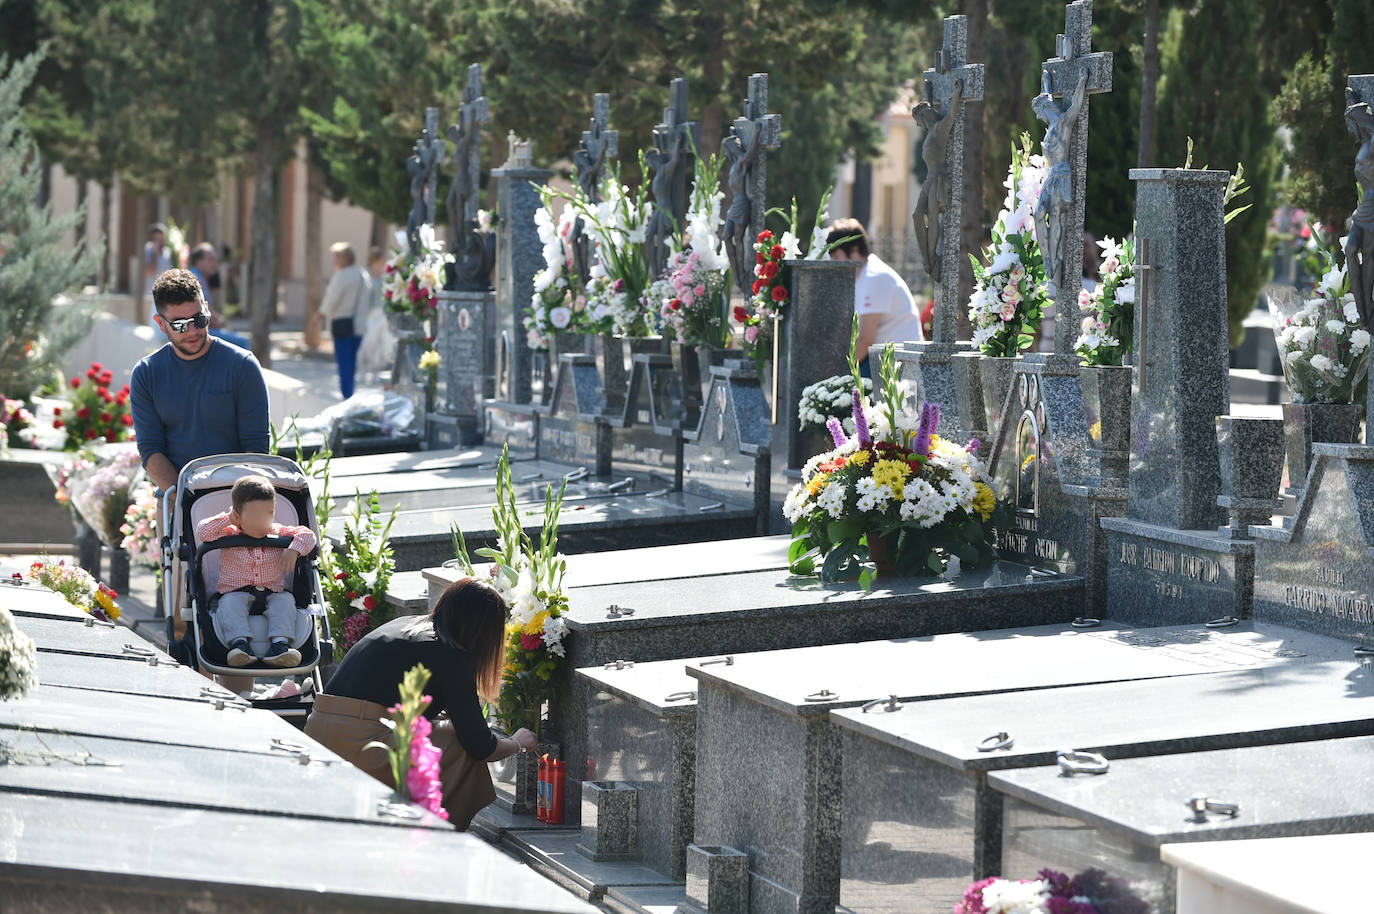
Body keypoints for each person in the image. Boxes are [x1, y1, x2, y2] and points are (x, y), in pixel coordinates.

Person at [305, 578, 538, 829]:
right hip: (360, 744)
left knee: (440, 730)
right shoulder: (450, 654)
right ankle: (435, 828)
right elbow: (480, 745)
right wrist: (517, 743)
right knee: (457, 741)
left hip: (318, 731)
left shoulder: (404, 625)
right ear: (485, 632)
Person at [131, 268, 271, 658]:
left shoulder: (242, 366)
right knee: (183, 614)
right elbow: (151, 452)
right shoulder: (147, 375)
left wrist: (234, 510)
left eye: (199, 319)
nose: (192, 330)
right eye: (179, 324)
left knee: (240, 599)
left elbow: (255, 450)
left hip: (240, 505)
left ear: (208, 310)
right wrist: (187, 502)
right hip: (179, 503)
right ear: (160, 324)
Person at [196, 475, 316, 668]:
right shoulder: (229, 532)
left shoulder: (278, 532)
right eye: (255, 516)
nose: (263, 521)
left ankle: (280, 646)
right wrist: (228, 518)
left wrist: (294, 549)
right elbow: (203, 531)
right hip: (236, 592)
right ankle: (240, 645)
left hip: (273, 592)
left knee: (286, 601)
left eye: (268, 513)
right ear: (237, 515)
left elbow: (308, 535)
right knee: (229, 604)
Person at [826, 218, 923, 373]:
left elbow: (865, 339)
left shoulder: (874, 277)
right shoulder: (863, 276)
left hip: (900, 365)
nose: (834, 264)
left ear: (854, 251)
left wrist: (840, 373)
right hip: (885, 359)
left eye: (837, 257)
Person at [318, 242, 372, 399]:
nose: (334, 260)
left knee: (344, 364)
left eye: (337, 256)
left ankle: (347, 396)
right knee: (352, 363)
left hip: (342, 324)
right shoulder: (363, 274)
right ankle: (350, 394)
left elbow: (332, 299)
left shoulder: (342, 275)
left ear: (345, 258)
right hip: (359, 326)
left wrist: (320, 315)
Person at [188, 242, 252, 351]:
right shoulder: (193, 279)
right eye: (210, 259)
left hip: (196, 330)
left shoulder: (198, 277)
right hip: (193, 332)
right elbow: (201, 311)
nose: (215, 263)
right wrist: (219, 320)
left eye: (216, 260)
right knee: (243, 342)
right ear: (198, 261)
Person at [144, 223, 172, 301]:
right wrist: (155, 253)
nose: (160, 241)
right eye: (157, 239)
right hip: (150, 294)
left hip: (166, 294)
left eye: (162, 238)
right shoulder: (147, 249)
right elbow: (150, 271)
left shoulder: (168, 251)